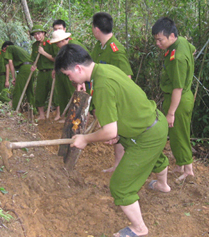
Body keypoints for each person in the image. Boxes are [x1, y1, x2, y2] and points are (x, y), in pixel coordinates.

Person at [55, 44, 170, 237]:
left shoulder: (102, 84)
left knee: (120, 186)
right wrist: (115, 133)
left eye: (68, 74)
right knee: (148, 154)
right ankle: (163, 185)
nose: (70, 79)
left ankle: (139, 228)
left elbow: (109, 131)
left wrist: (85, 138)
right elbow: (121, 109)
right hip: (154, 123)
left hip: (147, 135)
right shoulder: (104, 69)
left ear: (78, 69)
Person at [152, 17, 196, 182]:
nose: (158, 43)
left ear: (171, 36)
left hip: (178, 99)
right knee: (175, 132)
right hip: (181, 96)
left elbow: (177, 88)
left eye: (160, 40)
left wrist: (171, 112)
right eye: (156, 40)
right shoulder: (182, 42)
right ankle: (180, 164)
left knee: (180, 133)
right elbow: (193, 50)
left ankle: (188, 169)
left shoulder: (177, 59)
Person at [90, 12, 134, 173]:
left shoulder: (116, 50)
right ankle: (117, 165)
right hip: (102, 95)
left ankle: (121, 165)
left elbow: (127, 78)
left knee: (120, 132)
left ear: (96, 29)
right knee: (116, 133)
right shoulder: (99, 46)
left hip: (115, 100)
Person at [50, 21, 89, 121]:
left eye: (57, 43)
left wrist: (82, 80)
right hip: (70, 74)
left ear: (61, 41)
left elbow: (85, 61)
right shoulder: (64, 48)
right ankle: (69, 117)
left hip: (81, 75)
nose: (57, 45)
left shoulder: (74, 46)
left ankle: (78, 117)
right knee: (64, 94)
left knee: (76, 95)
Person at [30, 24, 55, 120]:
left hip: (51, 71)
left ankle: (57, 115)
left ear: (44, 33)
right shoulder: (34, 46)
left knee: (56, 94)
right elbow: (33, 59)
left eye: (39, 33)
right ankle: (41, 115)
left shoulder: (50, 43)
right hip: (41, 72)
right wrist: (33, 66)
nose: (37, 36)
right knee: (39, 94)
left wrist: (44, 53)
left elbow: (55, 59)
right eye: (35, 35)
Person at [2, 41, 35, 110]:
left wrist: (13, 78)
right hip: (32, 68)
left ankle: (14, 109)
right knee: (29, 90)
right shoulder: (19, 49)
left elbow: (10, 63)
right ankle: (33, 110)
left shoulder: (9, 48)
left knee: (18, 90)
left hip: (25, 68)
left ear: (6, 47)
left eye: (4, 50)